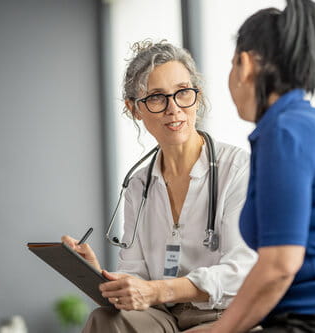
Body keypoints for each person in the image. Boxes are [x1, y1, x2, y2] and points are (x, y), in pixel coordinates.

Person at [191, 1, 315, 332]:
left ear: (245, 64)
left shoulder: (285, 131)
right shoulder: (296, 124)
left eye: (231, 65)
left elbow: (280, 264)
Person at [61, 40, 257, 332]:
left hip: (225, 314)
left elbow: (242, 272)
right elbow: (136, 275)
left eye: (182, 93)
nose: (173, 108)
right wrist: (99, 275)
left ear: (196, 96)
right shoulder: (138, 186)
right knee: (105, 320)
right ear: (134, 108)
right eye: (156, 97)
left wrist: (159, 291)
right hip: (164, 315)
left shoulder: (238, 168)